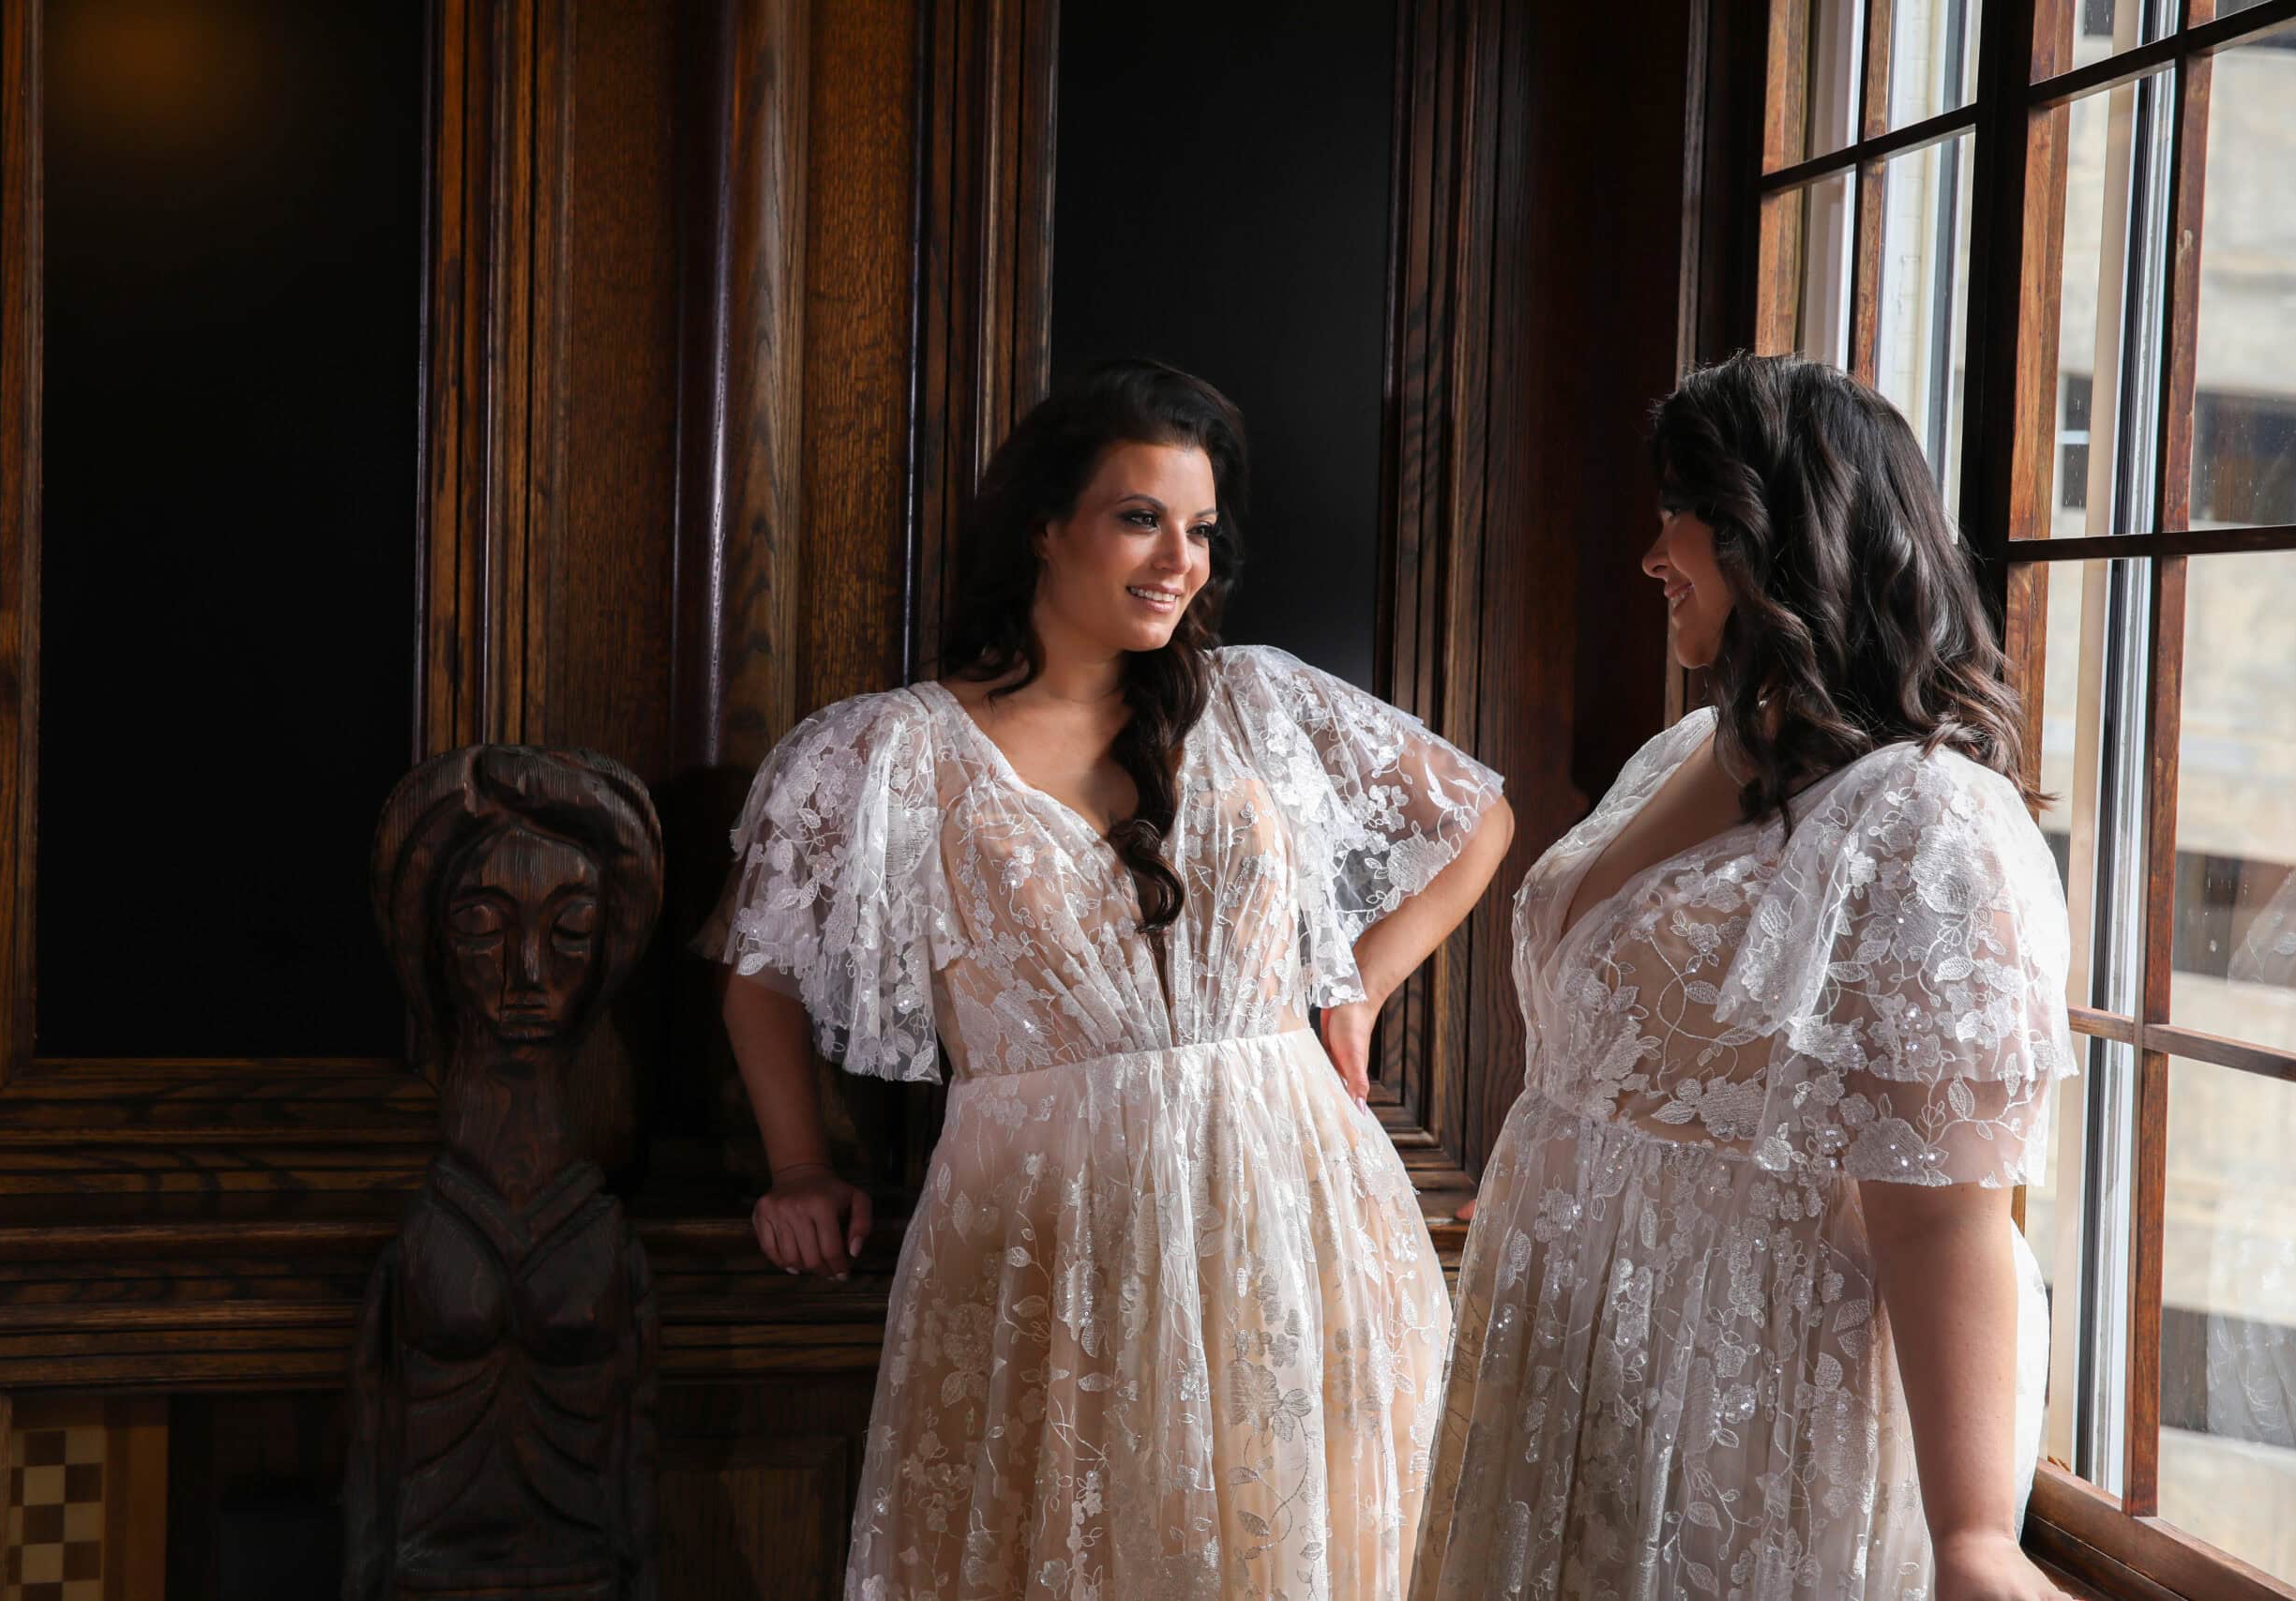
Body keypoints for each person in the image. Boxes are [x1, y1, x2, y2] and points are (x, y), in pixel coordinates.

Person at [702, 359, 1514, 1599]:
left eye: (1198, 530)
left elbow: (1479, 820)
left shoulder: (1261, 701)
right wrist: (800, 1166)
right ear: (1044, 528)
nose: (1178, 559)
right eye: (1139, 518)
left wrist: (1356, 984)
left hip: (1291, 1205)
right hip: (1043, 1227)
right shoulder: (886, 750)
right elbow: (758, 969)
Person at [1414, 354, 2074, 1600]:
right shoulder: (1689, 748)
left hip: (1737, 1398)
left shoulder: (1933, 824)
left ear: (1786, 535)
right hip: (1565, 1363)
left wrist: (1976, 1537)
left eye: (1690, 516)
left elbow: (1946, 1209)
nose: (1654, 551)